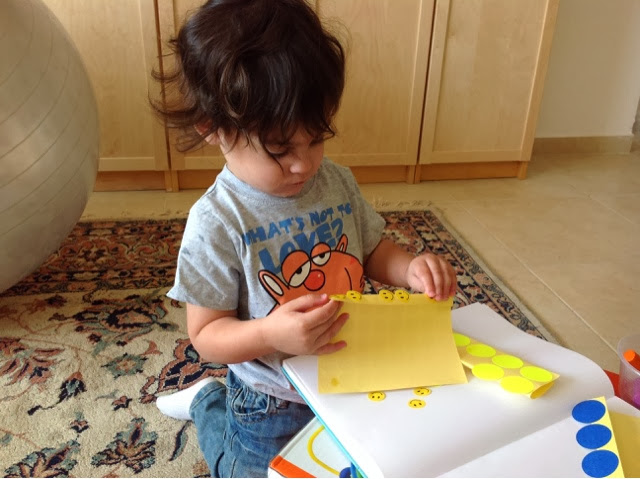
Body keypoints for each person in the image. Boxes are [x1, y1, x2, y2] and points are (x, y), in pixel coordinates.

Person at [152, 0, 457, 476]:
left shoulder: (336, 181)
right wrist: (270, 334)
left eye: (316, 138)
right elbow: (207, 337)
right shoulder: (216, 222)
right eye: (280, 148)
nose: (304, 163)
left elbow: (372, 249)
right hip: (271, 402)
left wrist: (409, 268)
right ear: (213, 128)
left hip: (350, 374)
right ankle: (207, 401)